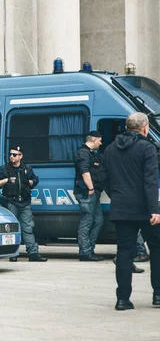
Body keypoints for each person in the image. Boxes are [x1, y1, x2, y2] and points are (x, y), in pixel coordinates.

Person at [99, 112, 160, 311]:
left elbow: (103, 178)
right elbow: (150, 181)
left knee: (124, 253)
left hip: (121, 208)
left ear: (126, 127)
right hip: (145, 209)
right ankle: (158, 294)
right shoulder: (147, 147)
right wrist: (154, 209)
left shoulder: (110, 149)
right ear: (145, 128)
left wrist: (116, 194)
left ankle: (123, 299)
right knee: (157, 249)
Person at [0, 146, 47, 262]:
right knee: (11, 229)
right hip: (11, 202)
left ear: (20, 156)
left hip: (25, 202)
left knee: (28, 228)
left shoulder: (27, 168)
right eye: (10, 154)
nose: (11, 156)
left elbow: (35, 181)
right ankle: (13, 253)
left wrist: (28, 181)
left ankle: (33, 253)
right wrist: (6, 180)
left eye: (14, 154)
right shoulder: (4, 169)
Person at [73, 130, 105, 261]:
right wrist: (91, 188)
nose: (101, 143)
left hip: (93, 192)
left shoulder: (93, 154)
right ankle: (85, 253)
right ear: (93, 140)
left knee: (98, 221)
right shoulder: (83, 153)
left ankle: (89, 250)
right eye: (100, 140)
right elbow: (84, 172)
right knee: (87, 222)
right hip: (86, 192)